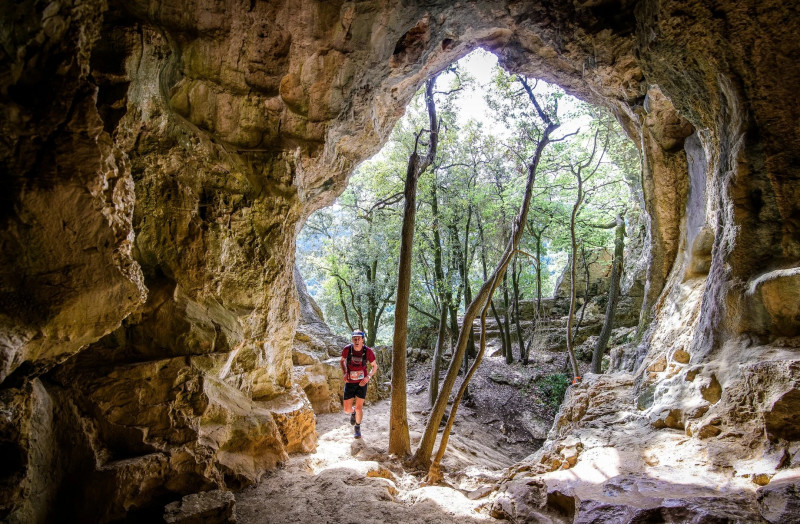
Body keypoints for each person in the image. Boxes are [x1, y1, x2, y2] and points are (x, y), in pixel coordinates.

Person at [341, 330, 378, 439]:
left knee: (358, 408)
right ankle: (353, 413)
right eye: (354, 339)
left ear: (363, 339)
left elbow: (375, 366)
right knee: (347, 410)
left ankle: (357, 427)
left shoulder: (368, 351)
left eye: (359, 338)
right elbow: (342, 361)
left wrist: (368, 377)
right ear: (352, 339)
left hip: (362, 383)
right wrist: (345, 373)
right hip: (350, 382)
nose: (356, 341)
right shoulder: (347, 349)